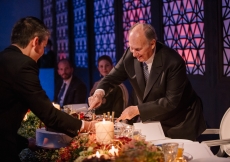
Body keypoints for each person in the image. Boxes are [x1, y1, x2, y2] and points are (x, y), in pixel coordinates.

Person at [89, 23, 206, 140]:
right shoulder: (130, 55)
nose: (134, 54)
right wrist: (99, 93)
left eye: (138, 49)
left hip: (180, 120)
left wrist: (137, 110)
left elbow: (171, 102)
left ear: (152, 44)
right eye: (131, 47)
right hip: (153, 118)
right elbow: (110, 78)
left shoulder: (173, 62)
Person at [0, 16, 95, 161]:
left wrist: (26, 142)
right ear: (35, 42)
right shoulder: (24, 65)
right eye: (44, 46)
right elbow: (48, 115)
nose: (43, 52)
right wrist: (86, 126)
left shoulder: (4, 57)